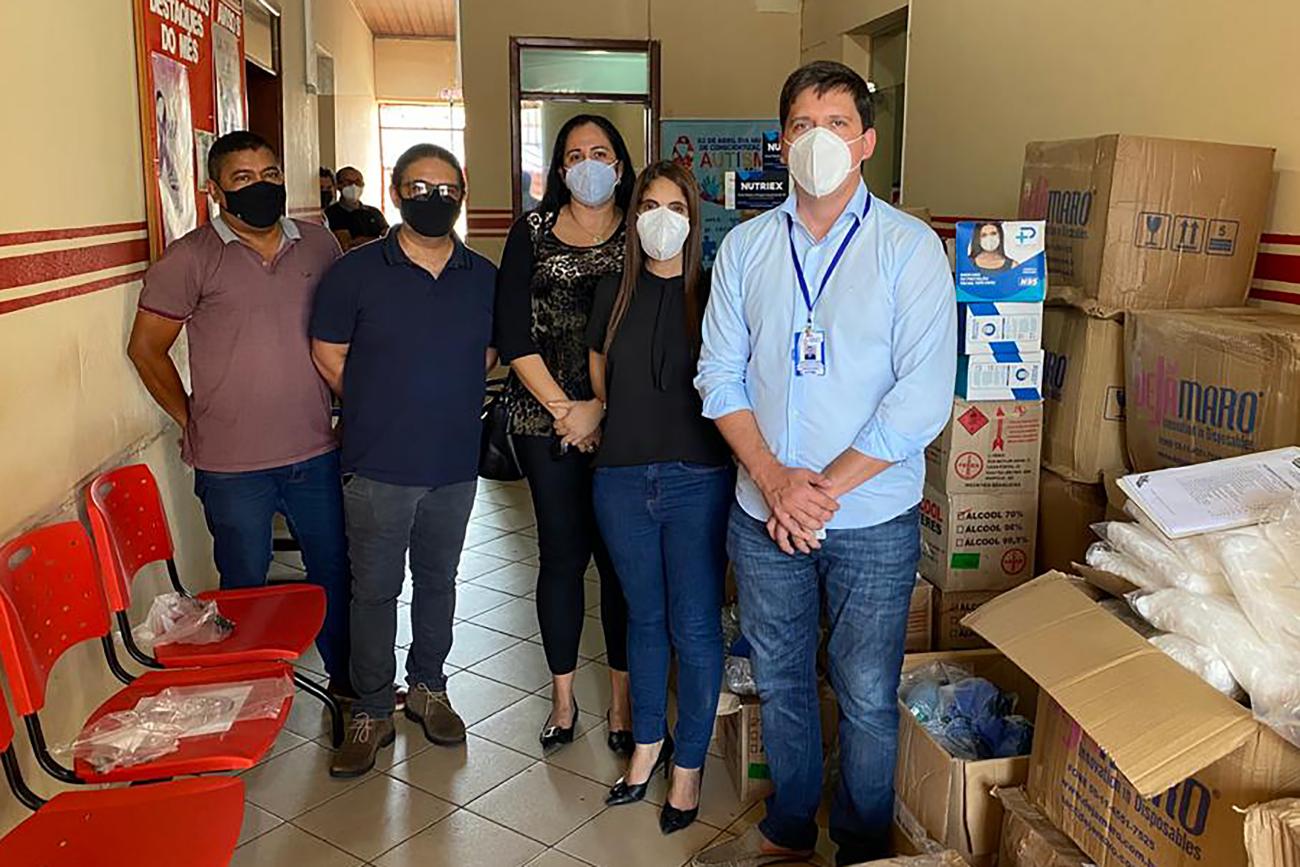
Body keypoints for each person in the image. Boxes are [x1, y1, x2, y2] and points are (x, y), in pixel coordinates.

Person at [690, 61, 957, 867]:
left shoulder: (908, 249)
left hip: (871, 517)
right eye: (802, 125)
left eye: (837, 124)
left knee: (867, 691)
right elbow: (719, 376)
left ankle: (863, 842)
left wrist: (817, 492)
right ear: (781, 142)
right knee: (781, 678)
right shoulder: (746, 249)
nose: (819, 139)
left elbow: (922, 398)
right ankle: (790, 825)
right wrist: (776, 483)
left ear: (867, 141)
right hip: (762, 510)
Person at [128, 130, 353, 698]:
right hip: (232, 467)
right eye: (244, 178)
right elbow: (146, 349)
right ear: (215, 191)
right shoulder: (190, 259)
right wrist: (190, 418)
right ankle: (250, 690)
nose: (262, 187)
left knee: (333, 573)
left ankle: (349, 686)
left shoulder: (320, 245)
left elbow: (346, 333)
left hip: (315, 451)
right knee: (244, 584)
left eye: (270, 174)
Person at [310, 143, 497, 777]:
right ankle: (371, 708)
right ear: (394, 193)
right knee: (374, 591)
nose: (433, 199)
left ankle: (428, 687)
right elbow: (328, 353)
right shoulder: (355, 273)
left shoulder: (483, 276)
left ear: (462, 193)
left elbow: (489, 355)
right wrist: (378, 401)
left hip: (452, 464)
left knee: (439, 582)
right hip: (377, 464)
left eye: (445, 189)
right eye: (418, 189)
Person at [583, 161, 733, 835]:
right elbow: (601, 381)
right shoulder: (611, 291)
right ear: (633, 215)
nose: (662, 219)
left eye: (676, 207)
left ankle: (689, 765)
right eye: (650, 206)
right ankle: (647, 744)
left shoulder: (716, 291)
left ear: (694, 220)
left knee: (694, 625)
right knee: (643, 618)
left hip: (698, 480)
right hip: (620, 480)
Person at [495, 114, 634, 755]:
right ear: (558, 169)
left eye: (600, 152)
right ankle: (562, 698)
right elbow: (512, 331)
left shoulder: (643, 229)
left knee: (620, 562)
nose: (588, 165)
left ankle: (622, 704)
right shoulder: (531, 231)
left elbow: (658, 330)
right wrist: (566, 411)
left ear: (620, 165)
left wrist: (599, 409)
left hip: (625, 420)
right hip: (541, 420)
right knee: (560, 557)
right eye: (575, 155)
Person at [326, 166, 389, 250]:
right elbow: (346, 246)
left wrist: (360, 241)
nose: (354, 186)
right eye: (348, 182)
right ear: (338, 185)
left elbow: (390, 240)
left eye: (358, 182)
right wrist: (378, 240)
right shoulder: (332, 213)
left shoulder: (374, 212)